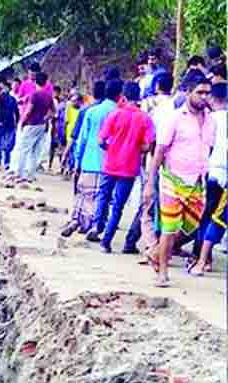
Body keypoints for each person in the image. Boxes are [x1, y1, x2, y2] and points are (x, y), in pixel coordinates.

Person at [143, 75, 217, 287]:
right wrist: (150, 183)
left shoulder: (211, 122)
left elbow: (208, 149)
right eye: (200, 92)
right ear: (188, 92)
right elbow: (159, 151)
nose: (204, 97)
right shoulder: (174, 118)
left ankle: (156, 253)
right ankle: (163, 274)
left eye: (207, 93)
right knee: (169, 228)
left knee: (189, 228)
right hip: (172, 180)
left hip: (197, 182)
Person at [90, 82, 154, 252]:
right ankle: (107, 241)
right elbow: (149, 145)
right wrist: (135, 149)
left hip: (110, 164)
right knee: (118, 205)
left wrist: (110, 148)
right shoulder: (144, 118)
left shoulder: (115, 114)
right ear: (139, 97)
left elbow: (100, 140)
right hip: (129, 167)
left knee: (103, 196)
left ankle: (97, 226)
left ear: (123, 97)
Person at [125, 72, 178, 252]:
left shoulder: (150, 105)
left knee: (149, 203)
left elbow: (147, 135)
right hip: (171, 162)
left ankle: (139, 241)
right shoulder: (175, 107)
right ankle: (155, 244)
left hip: (153, 157)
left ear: (156, 86)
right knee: (159, 204)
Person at [65, 79, 119, 237]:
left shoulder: (90, 111)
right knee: (98, 196)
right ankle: (90, 225)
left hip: (87, 160)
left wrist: (77, 160)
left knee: (82, 192)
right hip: (106, 162)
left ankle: (76, 219)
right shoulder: (116, 112)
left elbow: (82, 139)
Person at [189, 81, 227, 275]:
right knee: (218, 218)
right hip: (224, 174)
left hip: (211, 171)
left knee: (206, 216)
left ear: (213, 98)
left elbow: (205, 145)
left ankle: (200, 257)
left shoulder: (209, 120)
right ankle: (205, 258)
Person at [10, 72, 55, 185]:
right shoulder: (49, 96)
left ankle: (19, 173)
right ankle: (30, 175)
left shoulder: (34, 95)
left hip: (31, 124)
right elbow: (53, 111)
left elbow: (29, 110)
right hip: (42, 125)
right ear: (45, 82)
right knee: (35, 151)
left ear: (35, 82)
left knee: (23, 149)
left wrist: (22, 121)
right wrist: (45, 118)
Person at [0, 77, 19, 171]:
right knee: (7, 145)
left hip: (3, 123)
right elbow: (16, 113)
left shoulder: (1, 97)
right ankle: (6, 162)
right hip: (8, 123)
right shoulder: (12, 99)